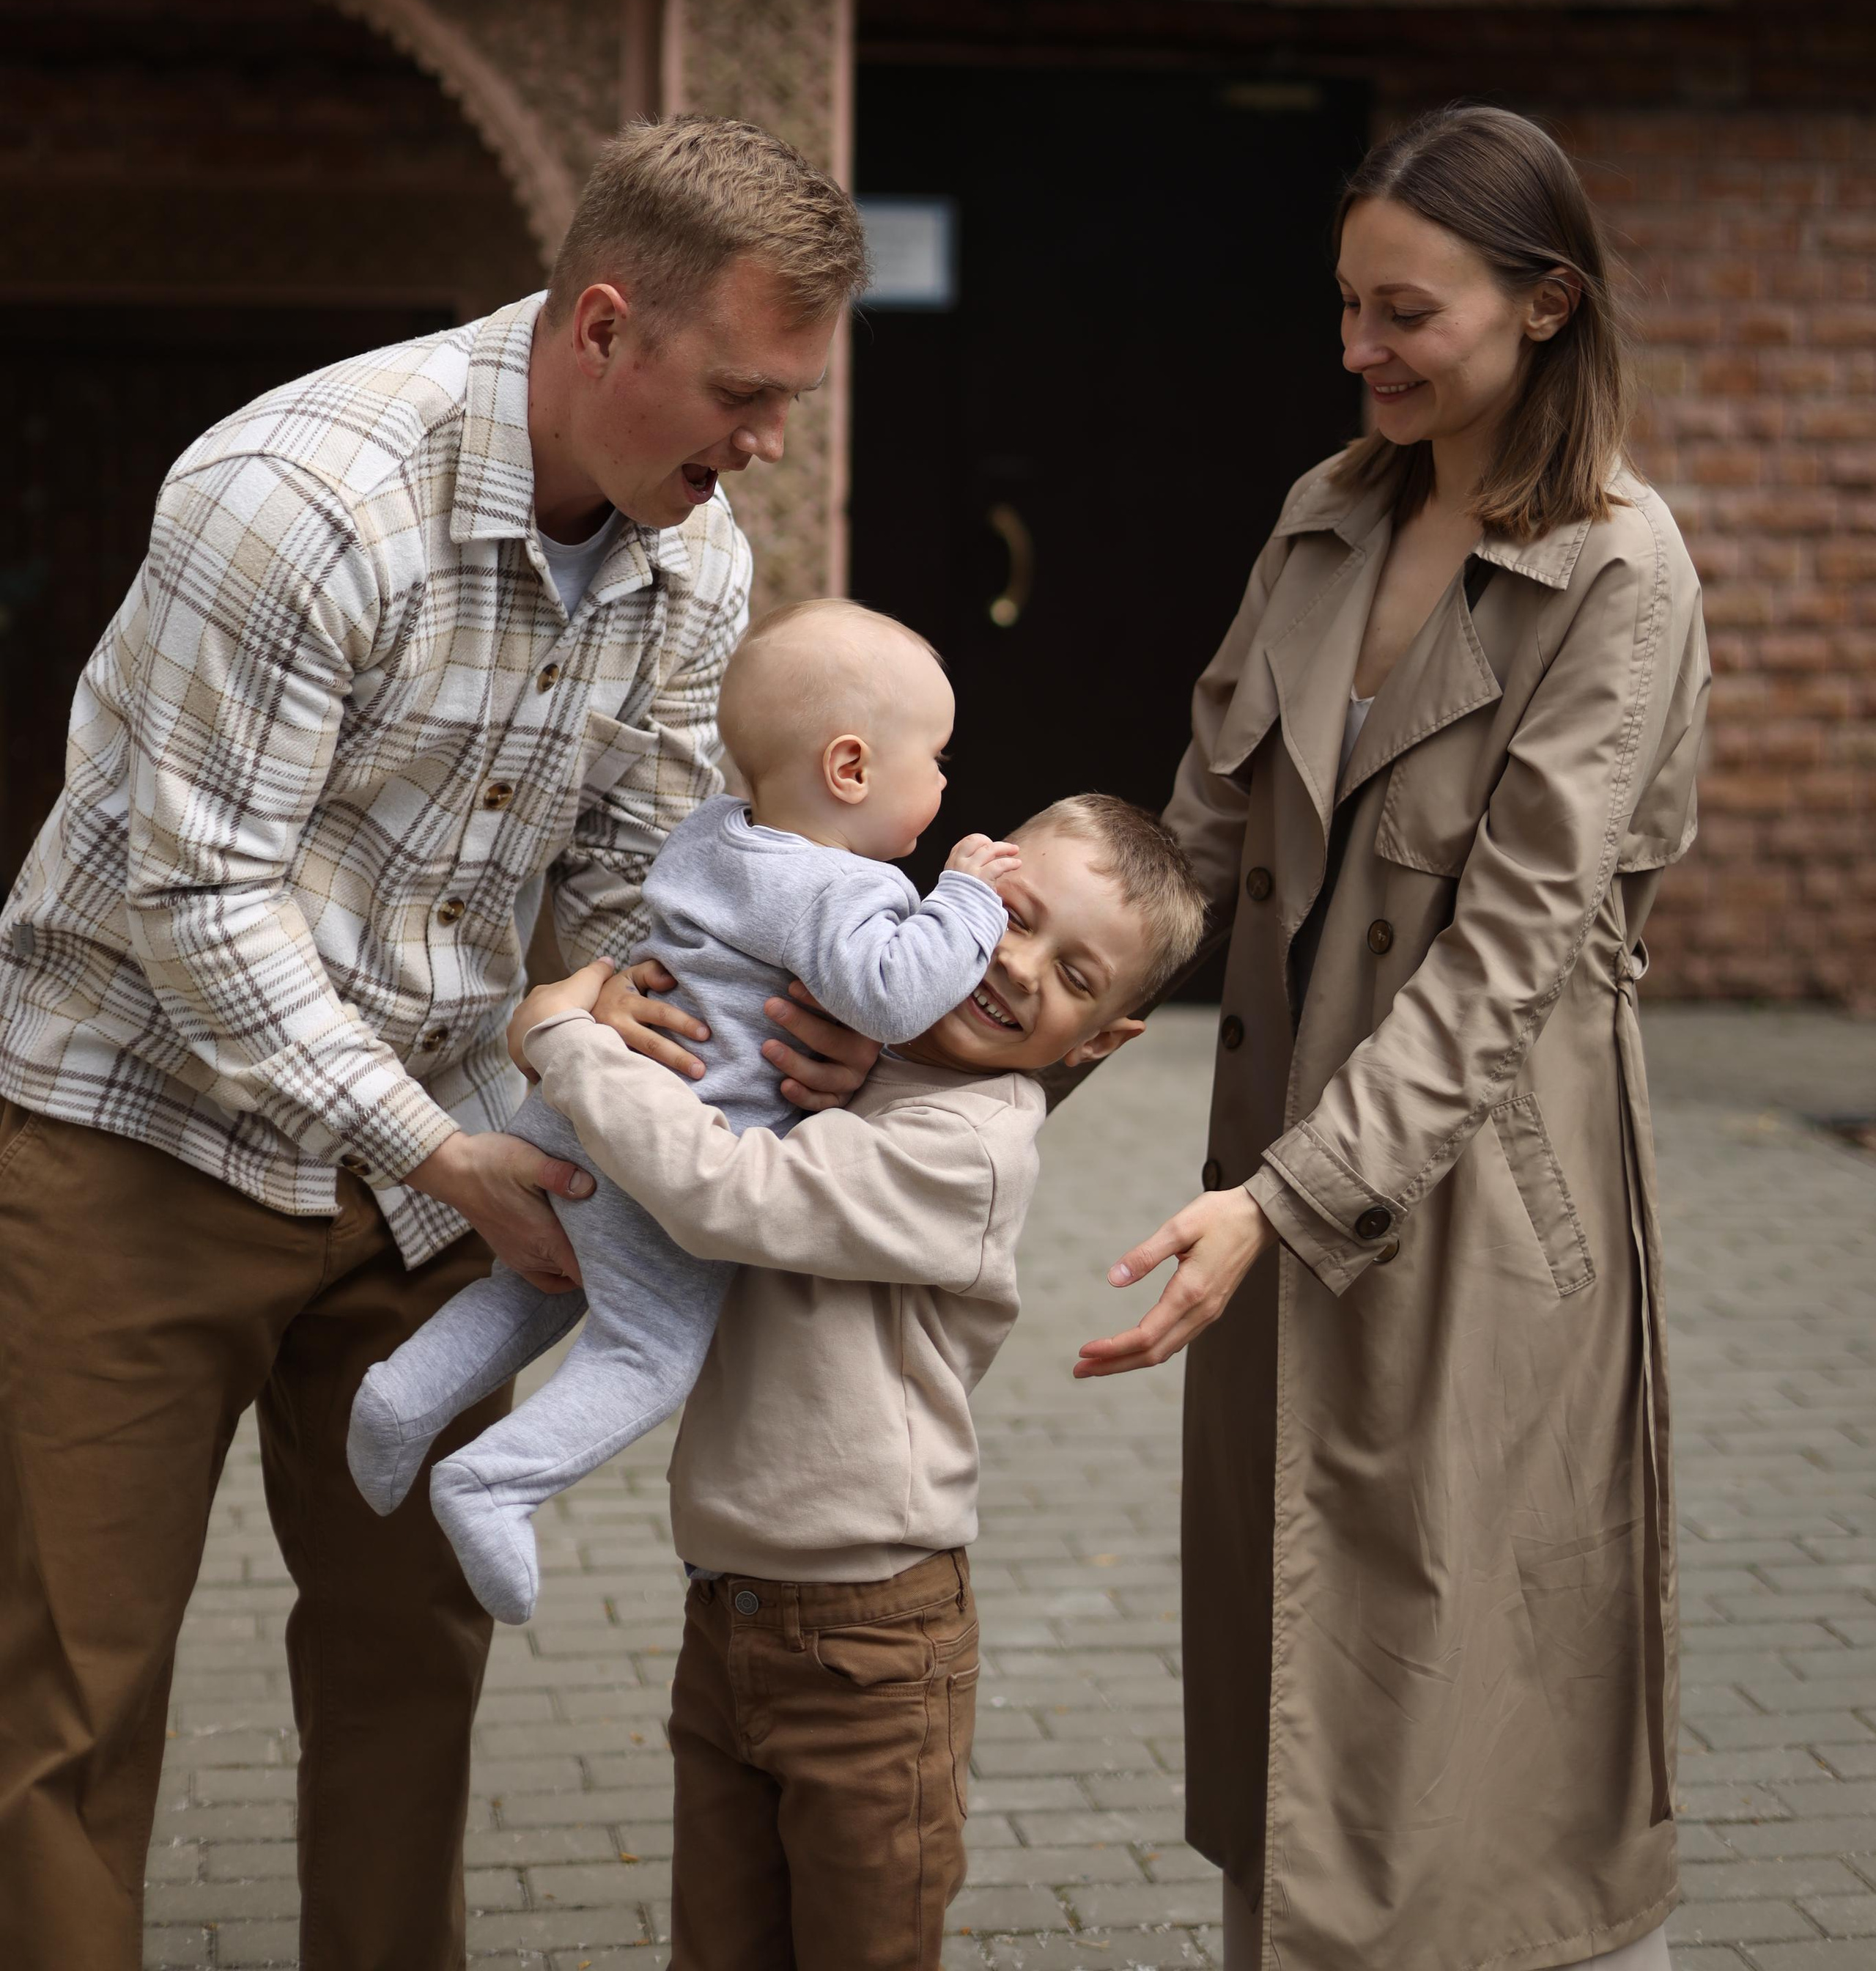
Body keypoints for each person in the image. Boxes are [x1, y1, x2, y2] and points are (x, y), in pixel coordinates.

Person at [0, 117, 876, 1971]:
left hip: (441, 1156)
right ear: (603, 327)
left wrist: (780, 1034)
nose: (765, 447)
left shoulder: (688, 556)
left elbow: (639, 879)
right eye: (739, 391)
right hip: (136, 1124)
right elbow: (204, 902)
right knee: (69, 1699)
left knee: (413, 1666)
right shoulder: (298, 496)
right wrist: (437, 1141)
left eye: (790, 399)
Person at [1077, 107, 1709, 1971]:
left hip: (1490, 1207)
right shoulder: (1327, 510)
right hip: (1272, 1181)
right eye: (1345, 307)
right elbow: (1192, 849)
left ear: (1543, 305)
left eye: (1402, 313)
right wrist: (961, 1002)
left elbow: (1508, 954)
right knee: (1299, 1699)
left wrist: (1282, 1201)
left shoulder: (1621, 573)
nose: (1358, 351)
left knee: (1477, 1733)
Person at [507, 792, 1208, 1971]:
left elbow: (730, 1194)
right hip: (726, 1602)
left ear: (1100, 1042)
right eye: (1015, 916)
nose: (1017, 966)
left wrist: (561, 1035)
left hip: (874, 1641)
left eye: (1078, 978)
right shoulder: (850, 1043)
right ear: (964, 878)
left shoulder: (972, 1147)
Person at [347, 597, 1015, 1623]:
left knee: (538, 1284)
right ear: (851, 771)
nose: (942, 783)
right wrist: (968, 897)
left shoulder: (715, 834)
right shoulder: (846, 889)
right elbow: (894, 990)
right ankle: (497, 1481)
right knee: (648, 1347)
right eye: (937, 758)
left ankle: (401, 1398)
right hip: (661, 1147)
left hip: (583, 1104)